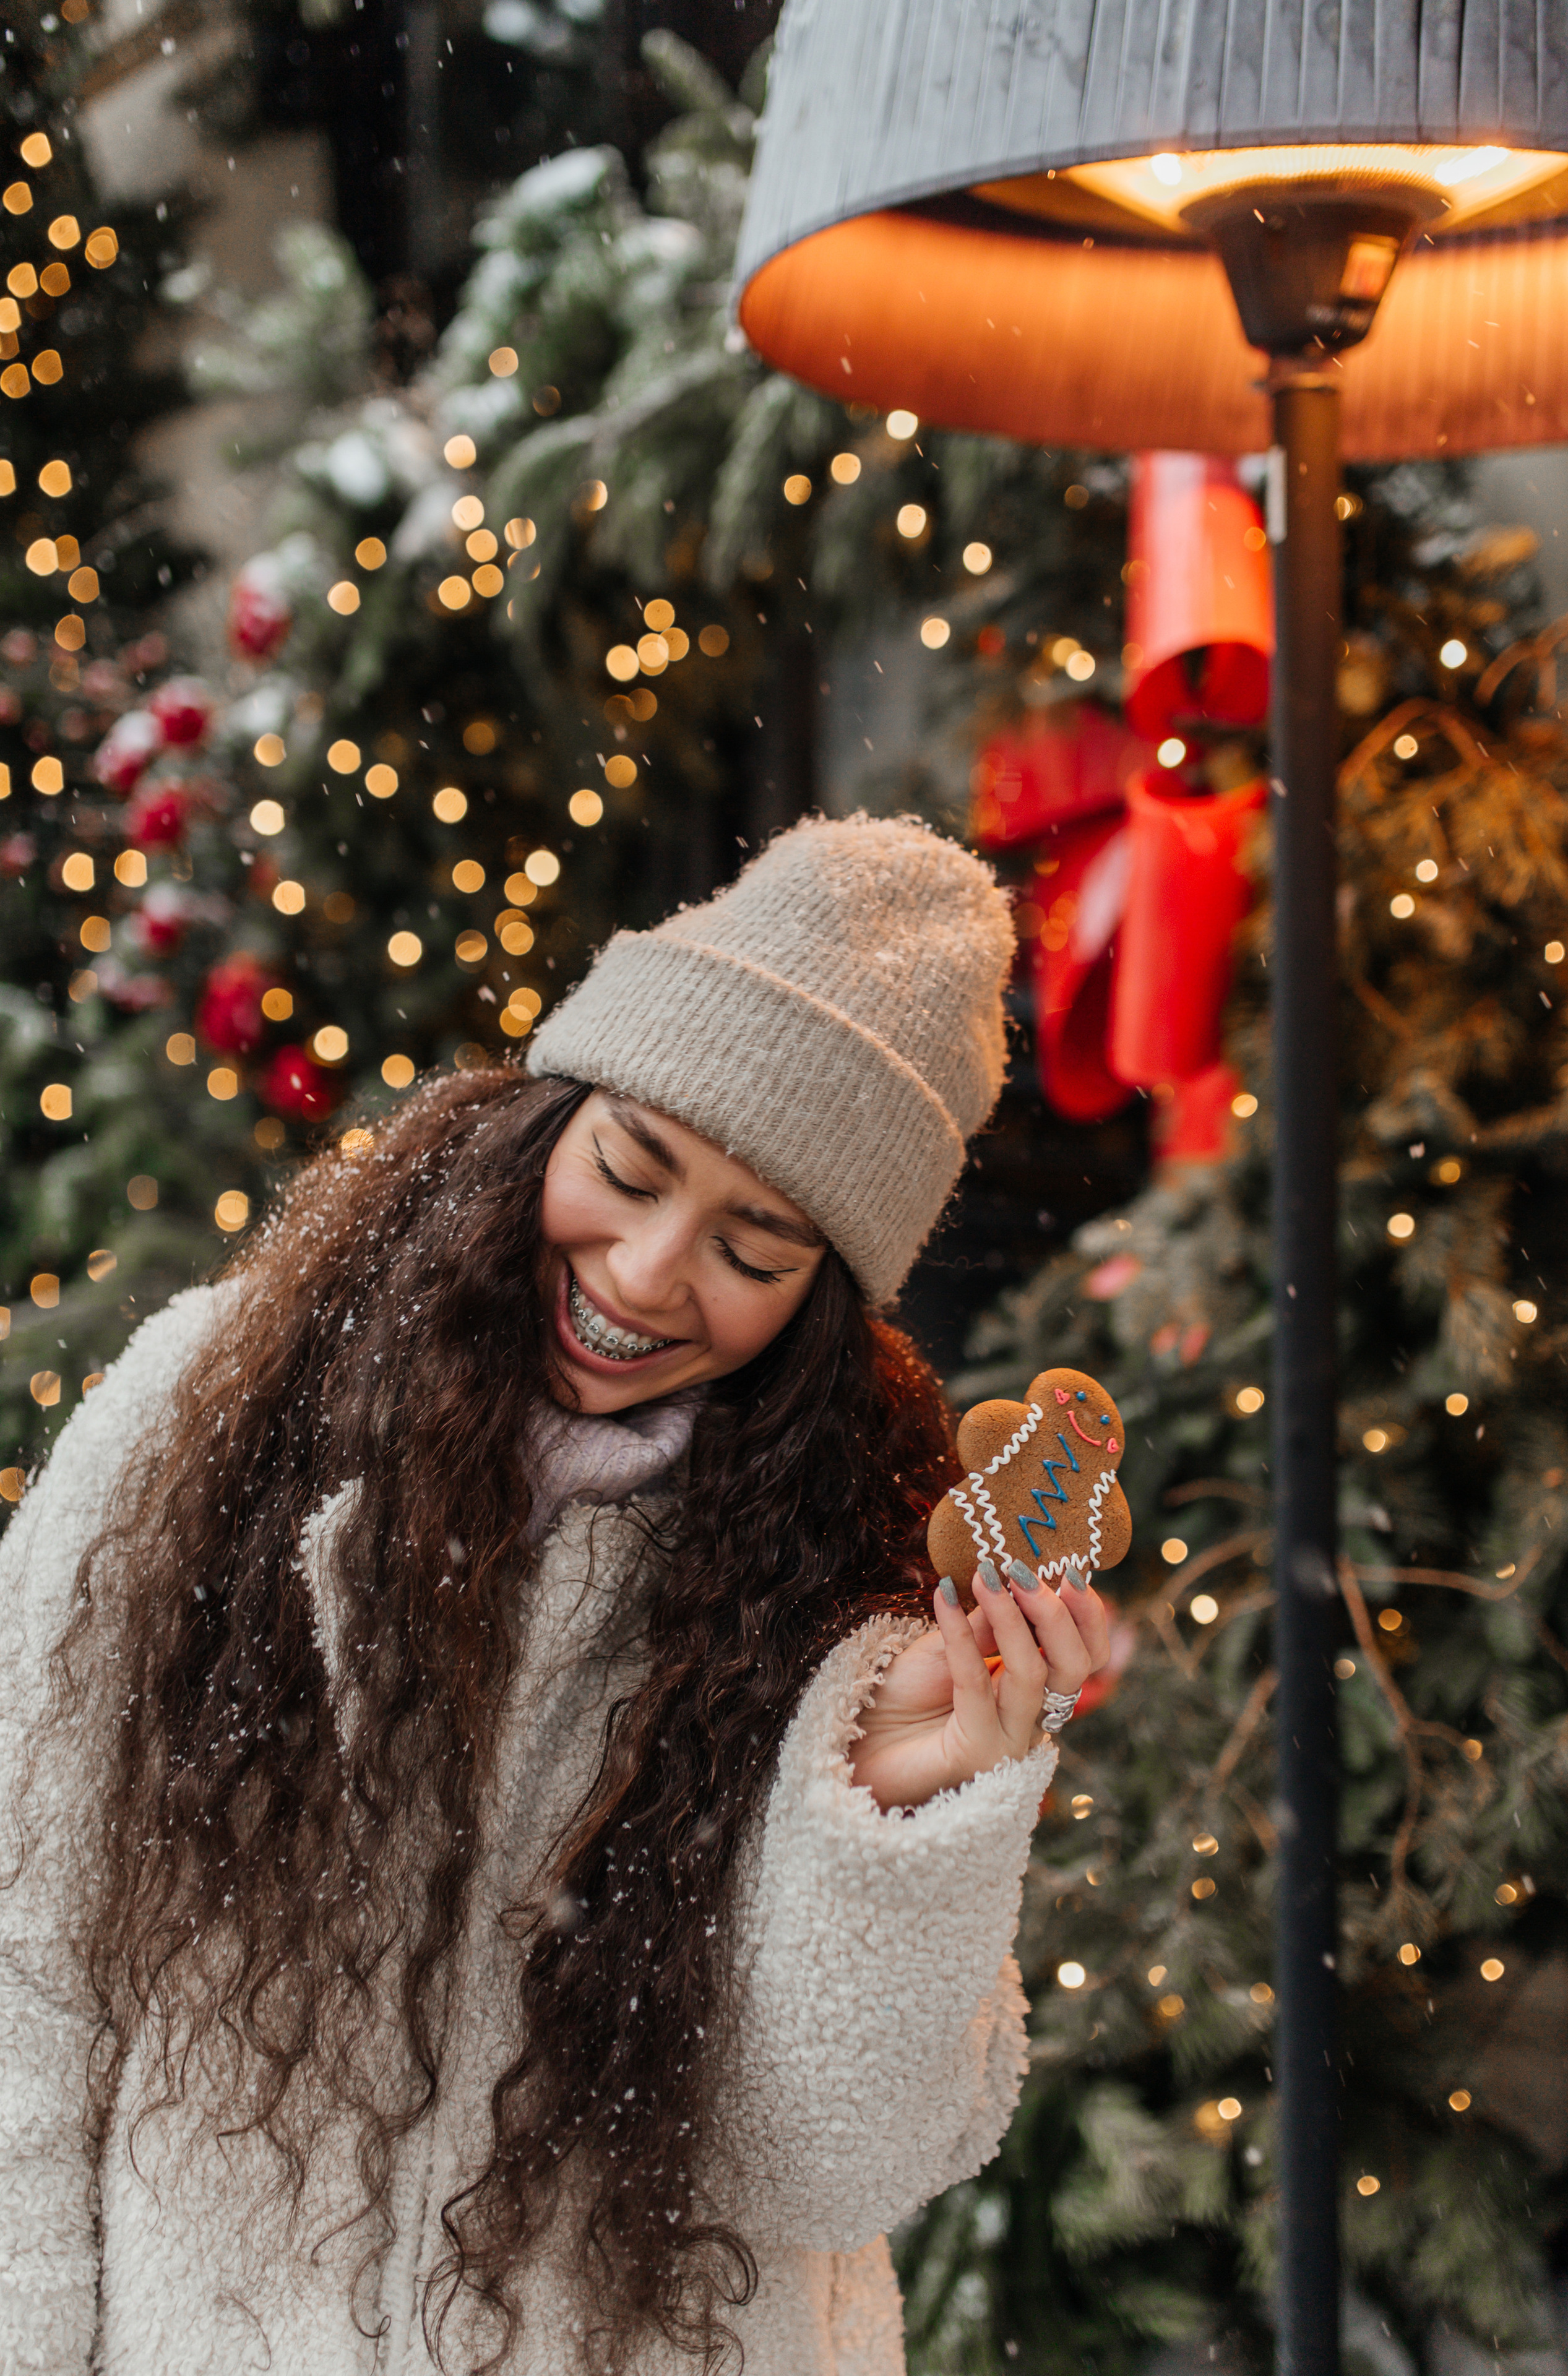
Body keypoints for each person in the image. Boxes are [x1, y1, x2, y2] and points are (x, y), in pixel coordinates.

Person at [0, 814, 1109, 2376]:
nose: (650, 1273)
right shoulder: (209, 1411)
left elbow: (823, 2176)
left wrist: (891, 1812)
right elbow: (25, 1952)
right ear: (544, 1117)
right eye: (629, 1165)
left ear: (821, 1296)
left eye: (752, 1243)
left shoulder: (856, 1579)